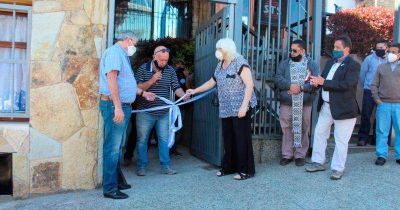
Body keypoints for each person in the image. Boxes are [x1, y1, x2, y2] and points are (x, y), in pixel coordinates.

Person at [187, 38, 257, 180]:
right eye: (217, 49)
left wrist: (244, 106)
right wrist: (195, 90)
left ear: (228, 50)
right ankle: (229, 167)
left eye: (220, 49)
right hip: (226, 108)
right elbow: (211, 82)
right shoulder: (220, 65)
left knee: (241, 139)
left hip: (240, 107)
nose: (217, 52)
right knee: (228, 138)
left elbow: (250, 85)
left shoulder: (240, 62)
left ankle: (246, 170)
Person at [99, 31, 156, 199]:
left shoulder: (122, 55)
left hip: (122, 105)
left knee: (117, 145)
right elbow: (111, 80)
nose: (135, 47)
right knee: (112, 147)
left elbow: (125, 83)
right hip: (115, 106)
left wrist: (143, 93)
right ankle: (110, 188)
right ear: (129, 40)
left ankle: (117, 181)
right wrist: (117, 107)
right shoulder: (115, 53)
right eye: (135, 44)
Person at [306, 35, 360, 180]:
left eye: (338, 48)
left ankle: (338, 168)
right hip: (326, 106)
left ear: (346, 49)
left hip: (344, 108)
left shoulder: (353, 65)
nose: (334, 50)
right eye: (334, 47)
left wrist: (324, 82)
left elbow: (347, 85)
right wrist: (315, 82)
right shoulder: (330, 62)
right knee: (319, 133)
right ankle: (318, 162)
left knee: (341, 140)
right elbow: (323, 80)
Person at [135, 46, 187, 176]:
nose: (164, 63)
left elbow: (176, 87)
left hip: (163, 113)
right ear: (154, 57)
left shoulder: (170, 70)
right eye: (161, 60)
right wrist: (152, 80)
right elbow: (136, 87)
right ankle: (141, 166)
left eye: (166, 60)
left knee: (164, 139)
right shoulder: (143, 69)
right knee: (142, 140)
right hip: (144, 112)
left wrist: (184, 95)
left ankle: (165, 165)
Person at [274, 39, 320, 167]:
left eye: (295, 51)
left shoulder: (312, 65)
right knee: (287, 128)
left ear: (303, 51)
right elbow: (277, 78)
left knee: (303, 128)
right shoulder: (284, 64)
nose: (292, 53)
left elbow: (315, 82)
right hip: (287, 102)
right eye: (291, 50)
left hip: (305, 103)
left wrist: (300, 88)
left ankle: (300, 155)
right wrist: (290, 86)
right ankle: (287, 155)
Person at [370, 43, 400, 166]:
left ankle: (399, 155)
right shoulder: (381, 67)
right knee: (382, 131)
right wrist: (377, 100)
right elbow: (374, 85)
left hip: (399, 105)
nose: (390, 54)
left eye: (394, 52)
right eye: (390, 51)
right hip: (384, 104)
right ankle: (381, 155)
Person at [358, 40, 389, 146]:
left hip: (383, 92)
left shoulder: (390, 59)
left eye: (381, 48)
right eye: (377, 48)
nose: (379, 50)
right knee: (366, 114)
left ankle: (376, 139)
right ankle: (363, 138)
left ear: (386, 48)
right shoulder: (369, 59)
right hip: (369, 91)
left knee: (380, 116)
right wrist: (366, 85)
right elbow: (362, 74)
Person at [170, 59, 192, 156]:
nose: (180, 66)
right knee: (169, 127)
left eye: (182, 65)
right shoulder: (171, 74)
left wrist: (187, 77)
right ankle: (167, 149)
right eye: (178, 64)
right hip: (171, 105)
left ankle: (174, 148)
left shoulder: (184, 76)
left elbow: (188, 89)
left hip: (182, 106)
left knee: (178, 128)